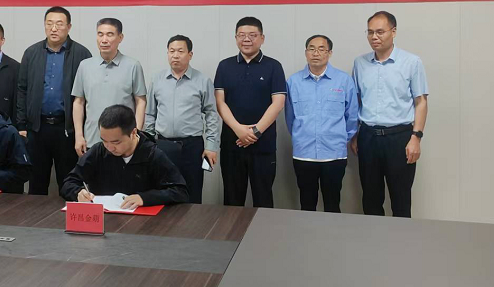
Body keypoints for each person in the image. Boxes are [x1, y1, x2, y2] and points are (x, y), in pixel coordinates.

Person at [351, 11, 429, 218]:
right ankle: (373, 237)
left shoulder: (411, 62)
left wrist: (416, 137)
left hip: (399, 138)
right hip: (368, 137)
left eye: (380, 32)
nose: (374, 37)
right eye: (370, 32)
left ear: (393, 32)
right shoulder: (360, 63)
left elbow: (421, 102)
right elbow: (357, 101)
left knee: (401, 199)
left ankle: (401, 239)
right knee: (370, 198)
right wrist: (356, 134)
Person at [15, 7, 91, 195]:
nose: (54, 28)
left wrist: (81, 131)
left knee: (69, 182)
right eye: (49, 24)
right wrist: (22, 124)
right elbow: (22, 90)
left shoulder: (82, 54)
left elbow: (87, 95)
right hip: (37, 129)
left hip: (66, 129)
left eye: (59, 24)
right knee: (36, 182)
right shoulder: (31, 52)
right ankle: (35, 215)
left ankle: (68, 214)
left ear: (69, 27)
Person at [214, 17, 286, 208]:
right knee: (232, 199)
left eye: (252, 35)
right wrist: (239, 130)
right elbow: (220, 102)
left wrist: (255, 132)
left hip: (263, 145)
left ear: (262, 38)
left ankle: (264, 230)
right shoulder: (224, 66)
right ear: (236, 38)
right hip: (232, 143)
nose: (247, 39)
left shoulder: (274, 66)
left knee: (263, 198)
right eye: (242, 35)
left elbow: (278, 103)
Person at [61, 104, 189, 209]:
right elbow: (68, 182)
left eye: (116, 142)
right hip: (107, 220)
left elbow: (180, 191)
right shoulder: (98, 151)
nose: (109, 147)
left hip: (145, 224)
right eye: (104, 140)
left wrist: (144, 198)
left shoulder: (152, 155)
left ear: (133, 133)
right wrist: (78, 193)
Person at [285, 35, 358, 212]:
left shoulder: (344, 81)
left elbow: (352, 116)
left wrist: (341, 139)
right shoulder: (293, 82)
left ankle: (332, 232)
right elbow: (289, 117)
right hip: (304, 154)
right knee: (307, 204)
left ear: (329, 53)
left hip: (334, 154)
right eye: (311, 49)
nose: (316, 53)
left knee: (332, 204)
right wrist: (301, 136)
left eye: (321, 49)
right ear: (306, 52)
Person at [145, 35, 220, 204]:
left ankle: (192, 222)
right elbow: (150, 114)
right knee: (163, 191)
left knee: (192, 192)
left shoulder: (202, 81)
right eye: (171, 51)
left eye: (180, 51)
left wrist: (211, 146)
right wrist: (148, 143)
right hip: (163, 145)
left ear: (190, 54)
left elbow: (211, 115)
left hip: (191, 147)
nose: (175, 55)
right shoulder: (157, 79)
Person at [71, 18, 147, 156]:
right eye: (100, 34)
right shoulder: (85, 66)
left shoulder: (133, 66)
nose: (104, 40)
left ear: (120, 37)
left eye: (110, 34)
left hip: (123, 143)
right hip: (92, 141)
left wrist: (137, 134)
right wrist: (79, 135)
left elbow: (140, 101)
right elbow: (78, 102)